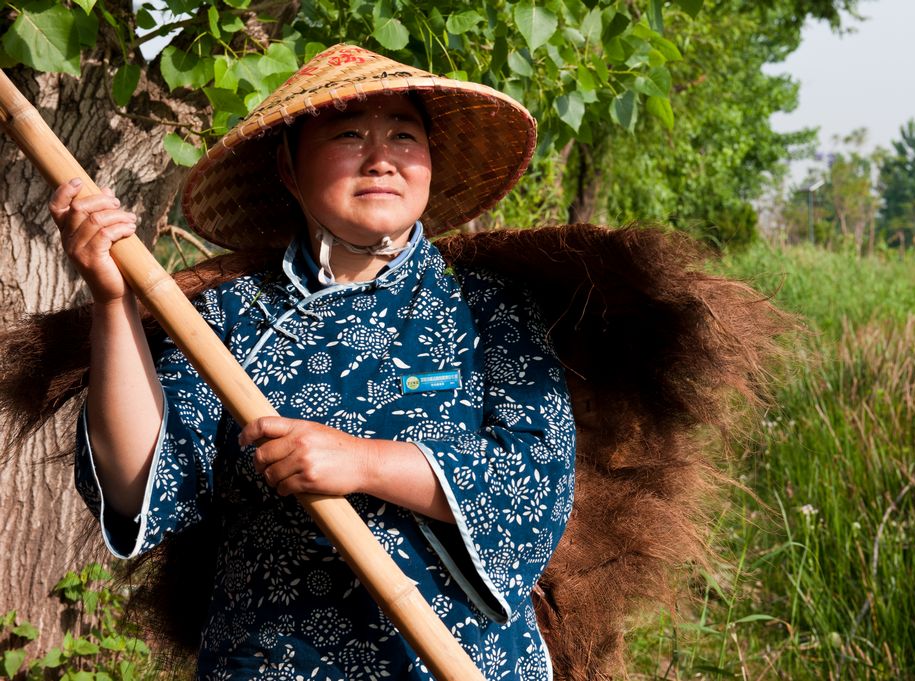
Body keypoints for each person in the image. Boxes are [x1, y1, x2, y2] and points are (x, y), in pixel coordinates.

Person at [49, 44, 576, 680]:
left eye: (404, 135)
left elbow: (536, 486)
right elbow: (142, 484)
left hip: (459, 662)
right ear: (290, 171)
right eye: (349, 134)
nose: (382, 158)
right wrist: (113, 302)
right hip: (269, 662)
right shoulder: (227, 317)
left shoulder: (491, 305)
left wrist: (361, 463)